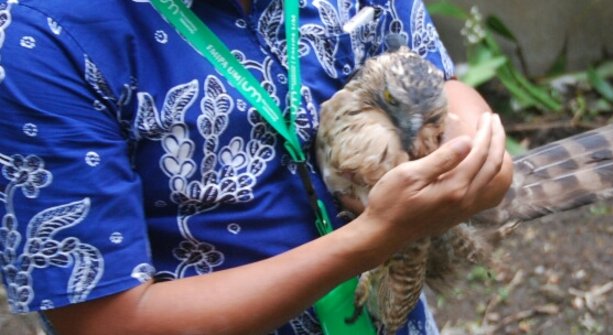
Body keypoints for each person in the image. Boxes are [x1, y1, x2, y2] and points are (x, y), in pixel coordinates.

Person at [0, 0, 512, 334]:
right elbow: (106, 323)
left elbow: (442, 83)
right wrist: (370, 240)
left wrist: (469, 154)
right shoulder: (43, 39)